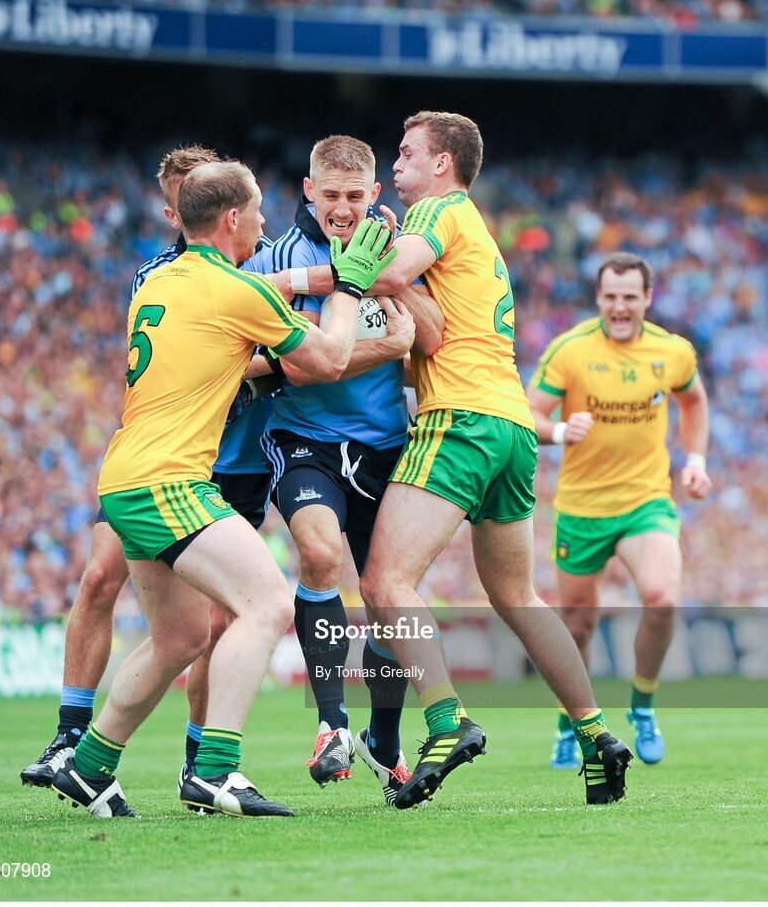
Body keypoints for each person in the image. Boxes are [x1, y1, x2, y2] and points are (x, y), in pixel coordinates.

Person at [47, 160, 397, 818]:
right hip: (170, 480)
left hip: (127, 477)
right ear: (231, 219)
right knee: (264, 603)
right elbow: (324, 356)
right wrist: (350, 284)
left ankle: (89, 766)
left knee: (180, 637)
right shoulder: (235, 288)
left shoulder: (159, 281)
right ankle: (216, 772)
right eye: (258, 211)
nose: (265, 223)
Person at [359, 110, 632, 808]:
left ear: (442, 163)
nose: (395, 166)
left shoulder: (440, 210)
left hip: (461, 420)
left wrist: (362, 257)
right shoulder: (472, 228)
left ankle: (446, 722)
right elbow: (430, 308)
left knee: (386, 581)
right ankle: (598, 736)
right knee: (517, 595)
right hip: (511, 427)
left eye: (406, 153)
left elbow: (386, 273)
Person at [262, 135, 445, 804]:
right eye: (329, 194)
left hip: (384, 448)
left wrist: (392, 277)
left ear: (374, 196)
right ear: (308, 191)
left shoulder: (397, 256)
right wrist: (383, 342)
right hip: (304, 437)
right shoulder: (280, 258)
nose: (341, 208)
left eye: (353, 195)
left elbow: (430, 337)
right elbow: (295, 363)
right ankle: (331, 725)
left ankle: (385, 741)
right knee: (316, 553)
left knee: (388, 593)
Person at [527, 252, 712, 768]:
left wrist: (695, 459)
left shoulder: (672, 352)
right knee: (578, 627)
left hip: (645, 502)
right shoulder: (570, 351)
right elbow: (529, 412)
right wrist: (562, 431)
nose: (620, 306)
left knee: (661, 597)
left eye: (630, 296)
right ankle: (573, 723)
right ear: (599, 298)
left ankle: (644, 706)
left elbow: (694, 402)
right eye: (611, 296)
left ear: (647, 298)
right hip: (582, 510)